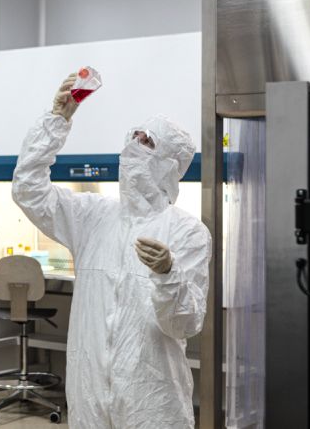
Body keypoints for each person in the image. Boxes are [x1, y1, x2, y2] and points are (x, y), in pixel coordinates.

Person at [12, 74, 211, 428]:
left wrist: (169, 276)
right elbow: (28, 190)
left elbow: (183, 324)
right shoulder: (93, 216)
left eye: (147, 141)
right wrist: (56, 121)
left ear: (168, 163)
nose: (134, 145)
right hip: (89, 396)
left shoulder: (187, 231)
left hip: (151, 404)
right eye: (134, 135)